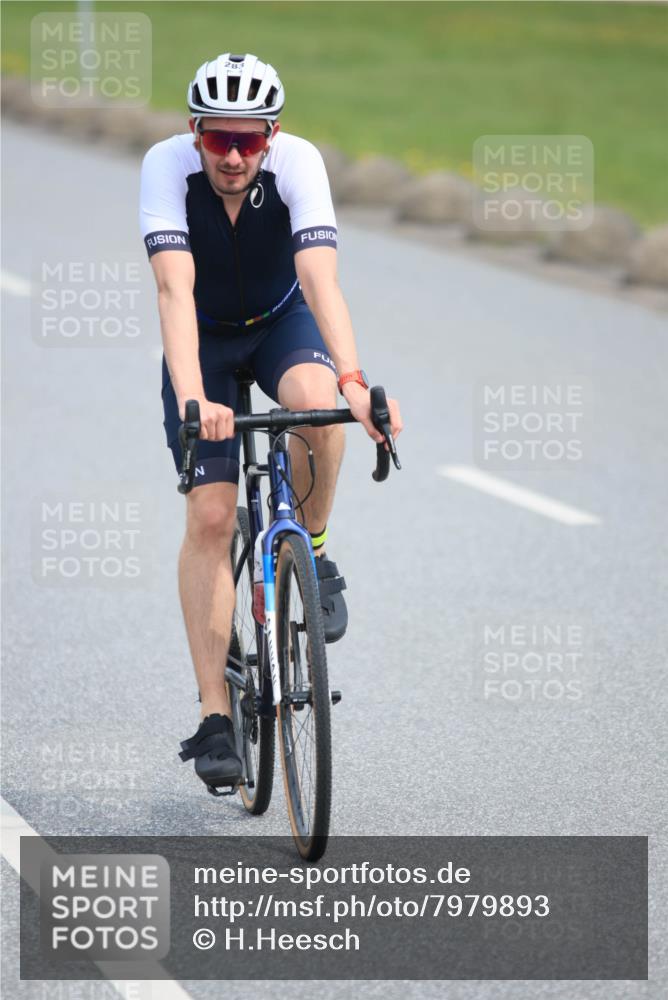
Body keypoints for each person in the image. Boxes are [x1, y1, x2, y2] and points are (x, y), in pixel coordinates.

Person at [139, 53, 402, 790]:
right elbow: (172, 291)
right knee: (212, 515)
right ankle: (215, 717)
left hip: (280, 323)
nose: (233, 156)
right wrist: (196, 399)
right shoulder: (165, 167)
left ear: (271, 136)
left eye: (249, 140)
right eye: (219, 139)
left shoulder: (299, 163)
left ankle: (311, 548)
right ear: (195, 132)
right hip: (204, 339)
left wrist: (354, 382)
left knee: (319, 404)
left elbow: (319, 279)